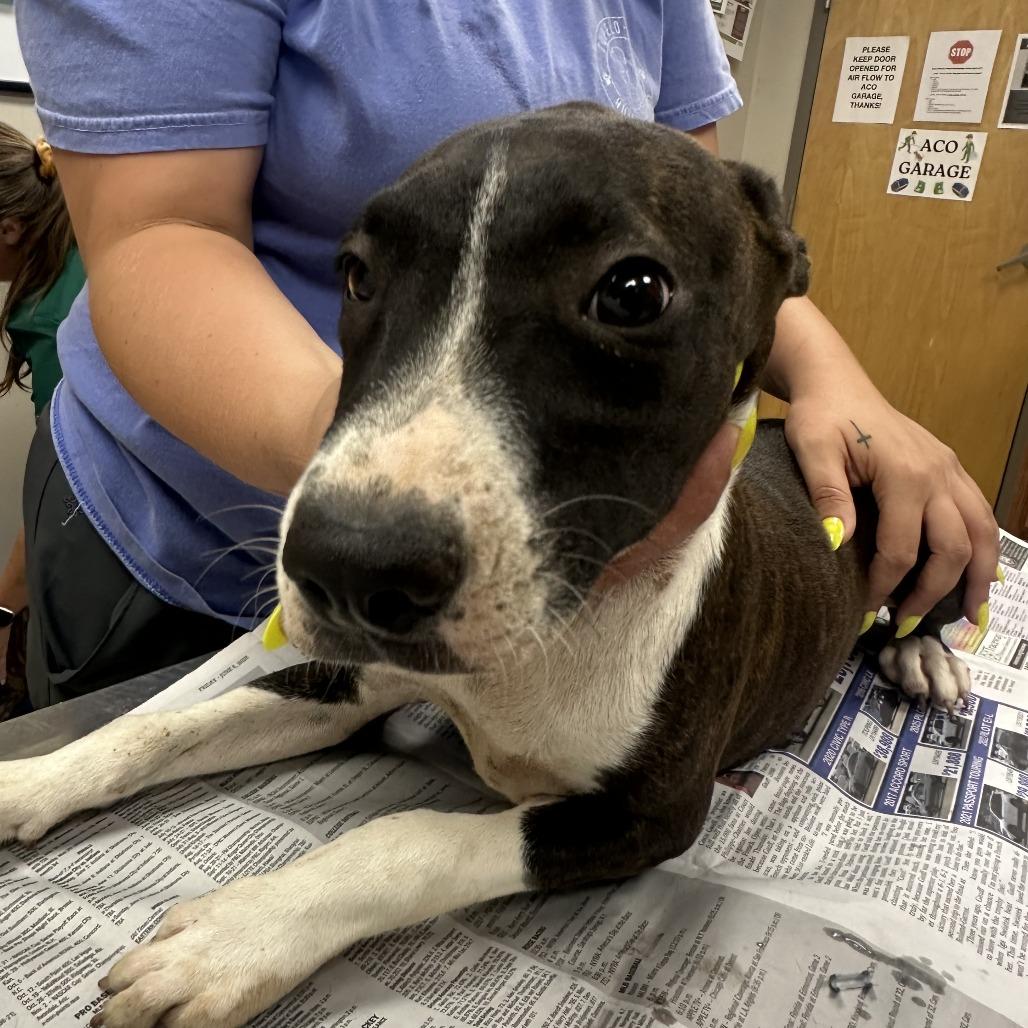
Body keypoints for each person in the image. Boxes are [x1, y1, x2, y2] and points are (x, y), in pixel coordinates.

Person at [17, 1, 999, 709]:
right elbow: (160, 237)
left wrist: (840, 382)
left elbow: (700, 234)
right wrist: (386, 477)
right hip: (200, 529)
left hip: (543, 581)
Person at [0, 125, 84, 714]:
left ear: (9, 229)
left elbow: (63, 481)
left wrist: (4, 611)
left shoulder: (52, 313)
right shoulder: (84, 235)